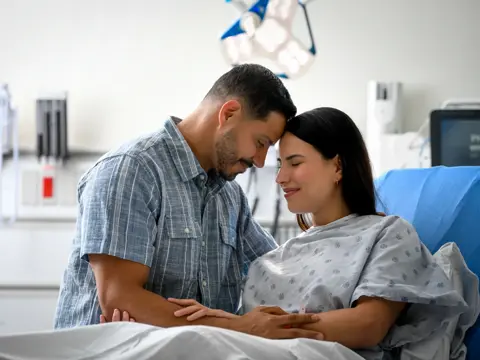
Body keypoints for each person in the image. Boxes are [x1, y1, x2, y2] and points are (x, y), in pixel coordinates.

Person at [108, 107, 467, 359]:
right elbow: (252, 327)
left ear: (337, 165)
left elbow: (369, 324)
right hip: (248, 349)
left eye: (294, 164)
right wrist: (230, 324)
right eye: (280, 165)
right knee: (126, 345)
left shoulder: (387, 234)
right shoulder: (277, 257)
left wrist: (252, 329)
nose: (280, 178)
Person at [53, 64, 326, 340]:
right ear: (228, 114)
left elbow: (279, 270)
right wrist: (238, 327)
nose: (259, 161)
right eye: (260, 142)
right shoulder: (132, 171)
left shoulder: (230, 197)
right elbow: (119, 298)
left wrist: (352, 245)